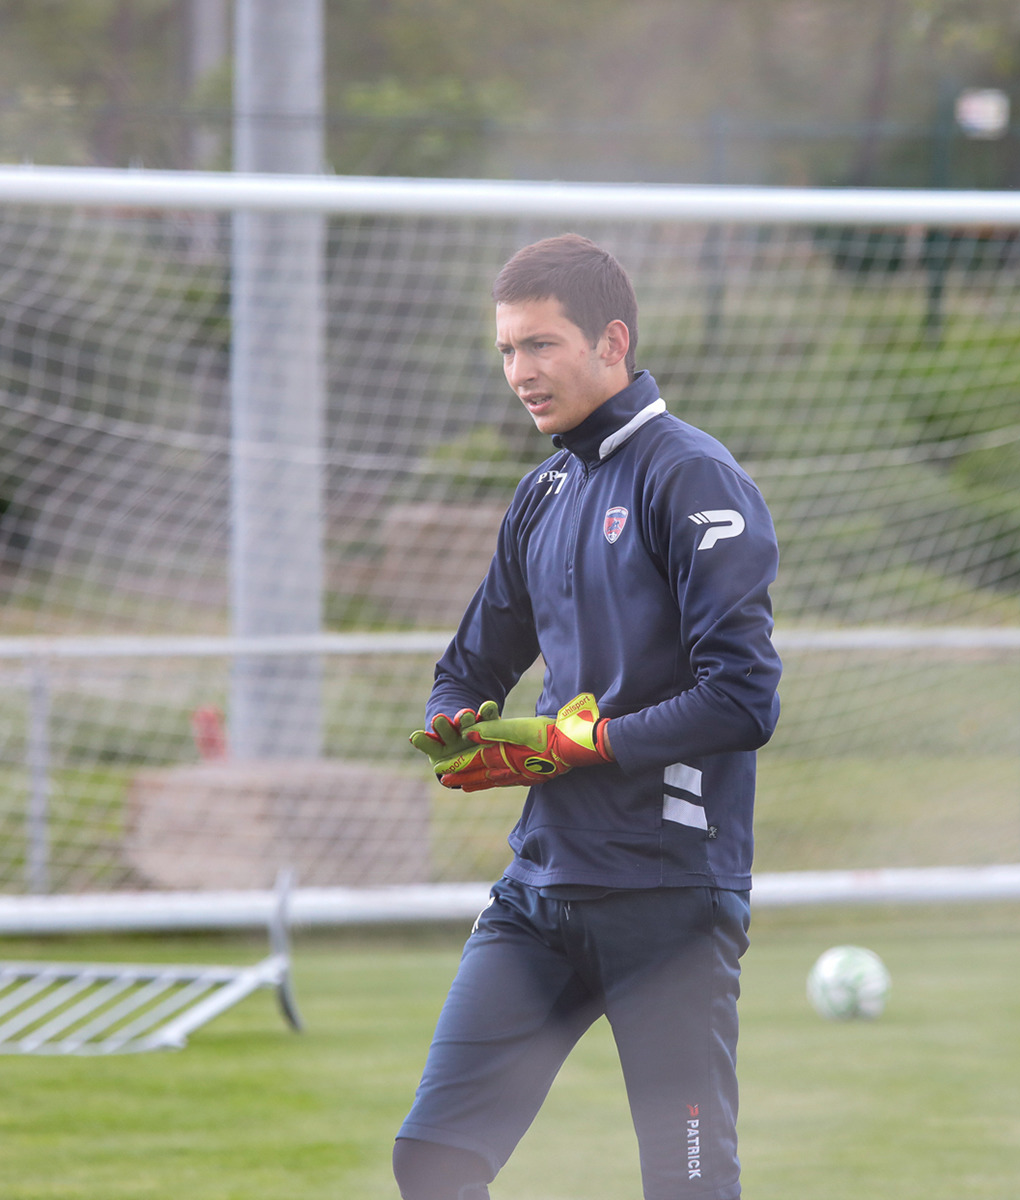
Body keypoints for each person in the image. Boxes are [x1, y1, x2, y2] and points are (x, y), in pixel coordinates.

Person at [395, 233, 781, 1200]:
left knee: (685, 1183)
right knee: (435, 1158)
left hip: (668, 898)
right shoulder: (544, 492)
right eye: (507, 351)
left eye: (541, 345)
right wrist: (456, 724)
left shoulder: (693, 476)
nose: (521, 373)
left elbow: (744, 697)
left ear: (612, 341)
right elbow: (472, 662)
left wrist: (585, 743)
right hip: (543, 886)